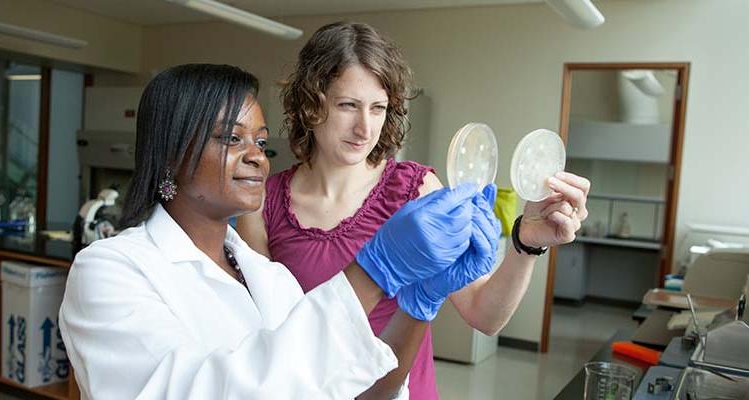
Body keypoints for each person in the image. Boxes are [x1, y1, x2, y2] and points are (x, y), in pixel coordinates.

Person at [58, 63, 494, 399]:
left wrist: (419, 305)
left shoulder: (269, 277)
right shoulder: (110, 271)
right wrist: (374, 272)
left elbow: (356, 391)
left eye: (261, 143)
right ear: (171, 154)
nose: (257, 158)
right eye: (232, 139)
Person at [237, 22, 591, 399]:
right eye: (347, 106)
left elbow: (485, 316)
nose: (364, 128)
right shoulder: (262, 203)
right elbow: (266, 338)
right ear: (311, 104)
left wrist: (527, 243)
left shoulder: (414, 190)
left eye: (378, 108)